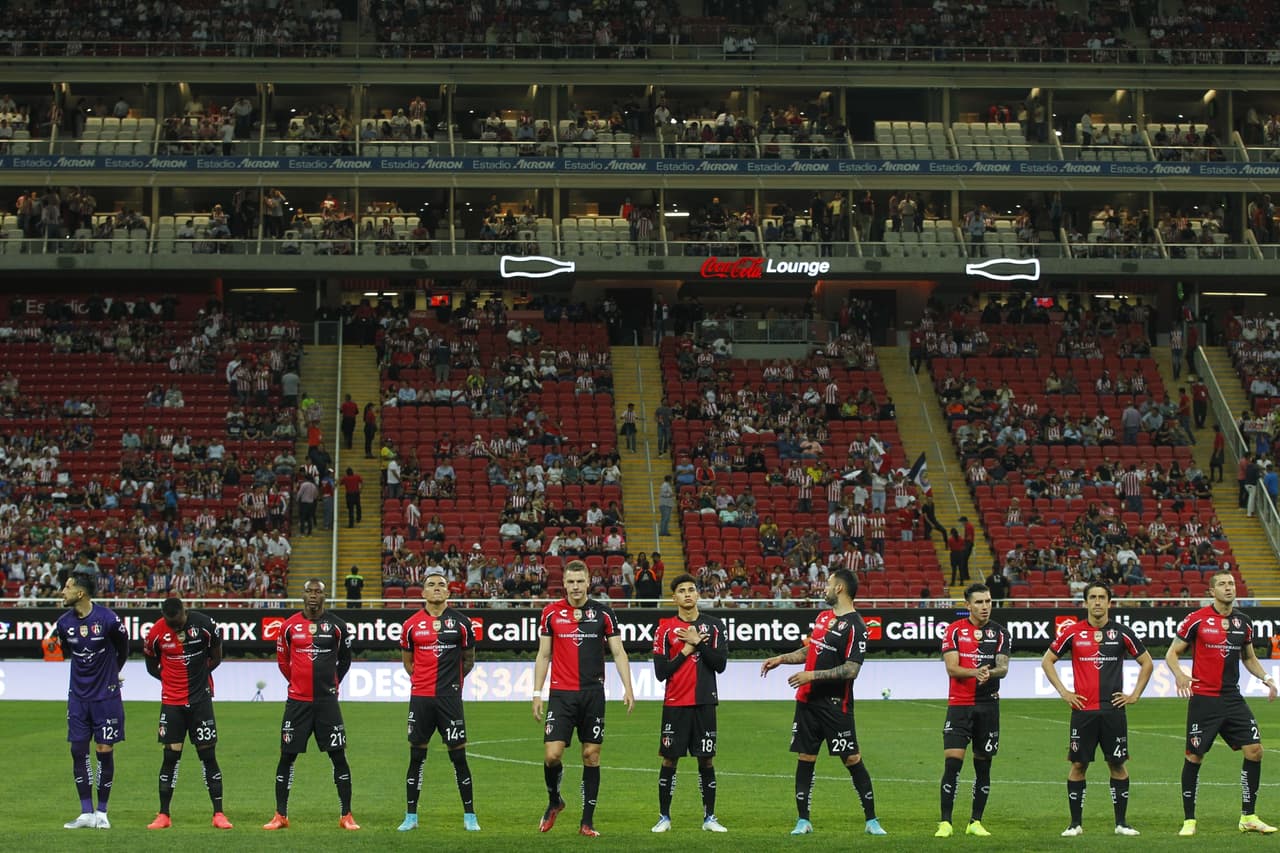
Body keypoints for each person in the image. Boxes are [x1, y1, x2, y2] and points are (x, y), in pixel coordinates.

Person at [760, 568, 886, 837]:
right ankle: (803, 820)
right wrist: (781, 659)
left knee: (851, 758)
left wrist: (811, 675)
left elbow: (851, 669)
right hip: (807, 703)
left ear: (839, 588)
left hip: (835, 705)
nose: (824, 589)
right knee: (806, 758)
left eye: (828, 585)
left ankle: (872, 820)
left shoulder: (856, 627)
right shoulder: (822, 617)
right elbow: (811, 650)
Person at [1166, 570, 1279, 836]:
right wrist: (1180, 674)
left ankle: (1248, 816)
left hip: (1232, 698)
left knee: (1255, 751)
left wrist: (1267, 677)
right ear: (1211, 591)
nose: (1229, 588)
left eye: (1231, 583)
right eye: (1223, 584)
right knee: (1194, 756)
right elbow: (1173, 653)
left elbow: (1248, 657)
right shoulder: (1196, 620)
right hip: (1204, 699)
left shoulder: (1244, 622)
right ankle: (1189, 820)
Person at [532, 560, 636, 837]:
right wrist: (536, 693)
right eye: (570, 582)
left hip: (592, 695)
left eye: (580, 581)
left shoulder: (603, 613)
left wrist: (628, 687)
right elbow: (544, 655)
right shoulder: (550, 613)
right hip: (561, 695)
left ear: (588, 582)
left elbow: (619, 652)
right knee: (552, 755)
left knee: (591, 755)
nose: (575, 587)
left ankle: (587, 822)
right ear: (564, 584)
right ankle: (555, 800)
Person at [1041, 582, 1154, 837]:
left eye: (1102, 597)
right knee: (1079, 764)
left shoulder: (1123, 633)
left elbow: (1146, 663)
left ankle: (1121, 823)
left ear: (1110, 603)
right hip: (1083, 711)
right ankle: (1075, 824)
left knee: (1117, 763)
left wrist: (1135, 694)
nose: (1097, 602)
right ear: (1085, 603)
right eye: (1092, 597)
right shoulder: (1073, 632)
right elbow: (1047, 661)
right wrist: (1064, 692)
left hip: (1113, 711)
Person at [263, 579, 359, 831]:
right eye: (309, 591)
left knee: (338, 756)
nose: (313, 595)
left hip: (327, 703)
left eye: (318, 591)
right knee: (287, 756)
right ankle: (280, 815)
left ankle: (346, 815)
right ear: (302, 595)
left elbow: (345, 660)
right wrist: (297, 682)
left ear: (325, 595)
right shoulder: (288, 627)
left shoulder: (337, 627)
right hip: (297, 703)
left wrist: (332, 683)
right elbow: (283, 661)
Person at [398, 569, 479, 832]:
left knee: (459, 757)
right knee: (416, 758)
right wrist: (423, 680)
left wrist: (451, 683)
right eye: (431, 584)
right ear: (422, 592)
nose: (436, 588)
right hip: (421, 699)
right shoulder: (411, 625)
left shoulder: (461, 623)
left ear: (448, 592)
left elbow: (468, 659)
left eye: (441, 585)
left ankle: (470, 816)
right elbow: (408, 662)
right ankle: (411, 816)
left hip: (449, 699)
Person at [143, 597, 232, 830]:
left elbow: (217, 656)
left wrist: (198, 677)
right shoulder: (155, 633)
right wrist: (171, 681)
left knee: (208, 755)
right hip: (172, 703)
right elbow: (151, 666)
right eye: (171, 624)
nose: (176, 628)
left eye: (179, 622)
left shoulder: (204, 625)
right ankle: (163, 814)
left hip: (200, 700)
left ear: (185, 610)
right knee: (170, 757)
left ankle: (219, 813)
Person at [651, 573, 729, 834]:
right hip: (675, 704)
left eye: (691, 589)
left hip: (705, 702)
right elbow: (661, 672)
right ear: (674, 598)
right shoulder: (664, 629)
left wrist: (698, 643)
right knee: (669, 760)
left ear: (697, 595)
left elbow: (720, 664)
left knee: (706, 760)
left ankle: (710, 817)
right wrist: (686, 651)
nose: (687, 594)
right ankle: (664, 816)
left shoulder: (715, 626)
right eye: (681, 590)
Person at [935, 583, 1010, 838]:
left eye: (988, 601)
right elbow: (952, 668)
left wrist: (990, 672)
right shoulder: (954, 631)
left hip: (988, 706)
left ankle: (975, 821)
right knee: (952, 764)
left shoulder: (1000, 633)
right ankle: (945, 822)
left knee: (983, 766)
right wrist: (976, 671)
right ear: (967, 605)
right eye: (979, 602)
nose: (985, 607)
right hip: (960, 705)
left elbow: (1003, 667)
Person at [57, 572, 129, 830]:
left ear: (81, 593)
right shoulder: (64, 623)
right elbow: (67, 650)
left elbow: (123, 648)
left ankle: (102, 811)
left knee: (103, 751)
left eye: (67, 587)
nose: (62, 592)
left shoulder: (108, 620)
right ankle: (86, 812)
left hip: (105, 697)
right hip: (78, 697)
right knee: (78, 751)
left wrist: (112, 673)